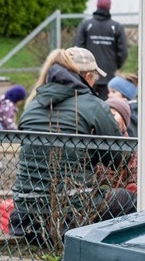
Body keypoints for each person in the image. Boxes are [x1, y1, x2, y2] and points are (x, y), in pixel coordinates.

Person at [9, 47, 135, 248]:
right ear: (86, 76)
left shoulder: (32, 104)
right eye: (94, 77)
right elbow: (119, 157)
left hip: (25, 210)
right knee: (131, 200)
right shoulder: (93, 105)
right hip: (71, 209)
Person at [74, 0, 128, 77]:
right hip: (110, 75)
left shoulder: (86, 25)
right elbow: (123, 53)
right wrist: (117, 67)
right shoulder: (117, 27)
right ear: (109, 6)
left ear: (97, 5)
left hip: (88, 75)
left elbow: (77, 48)